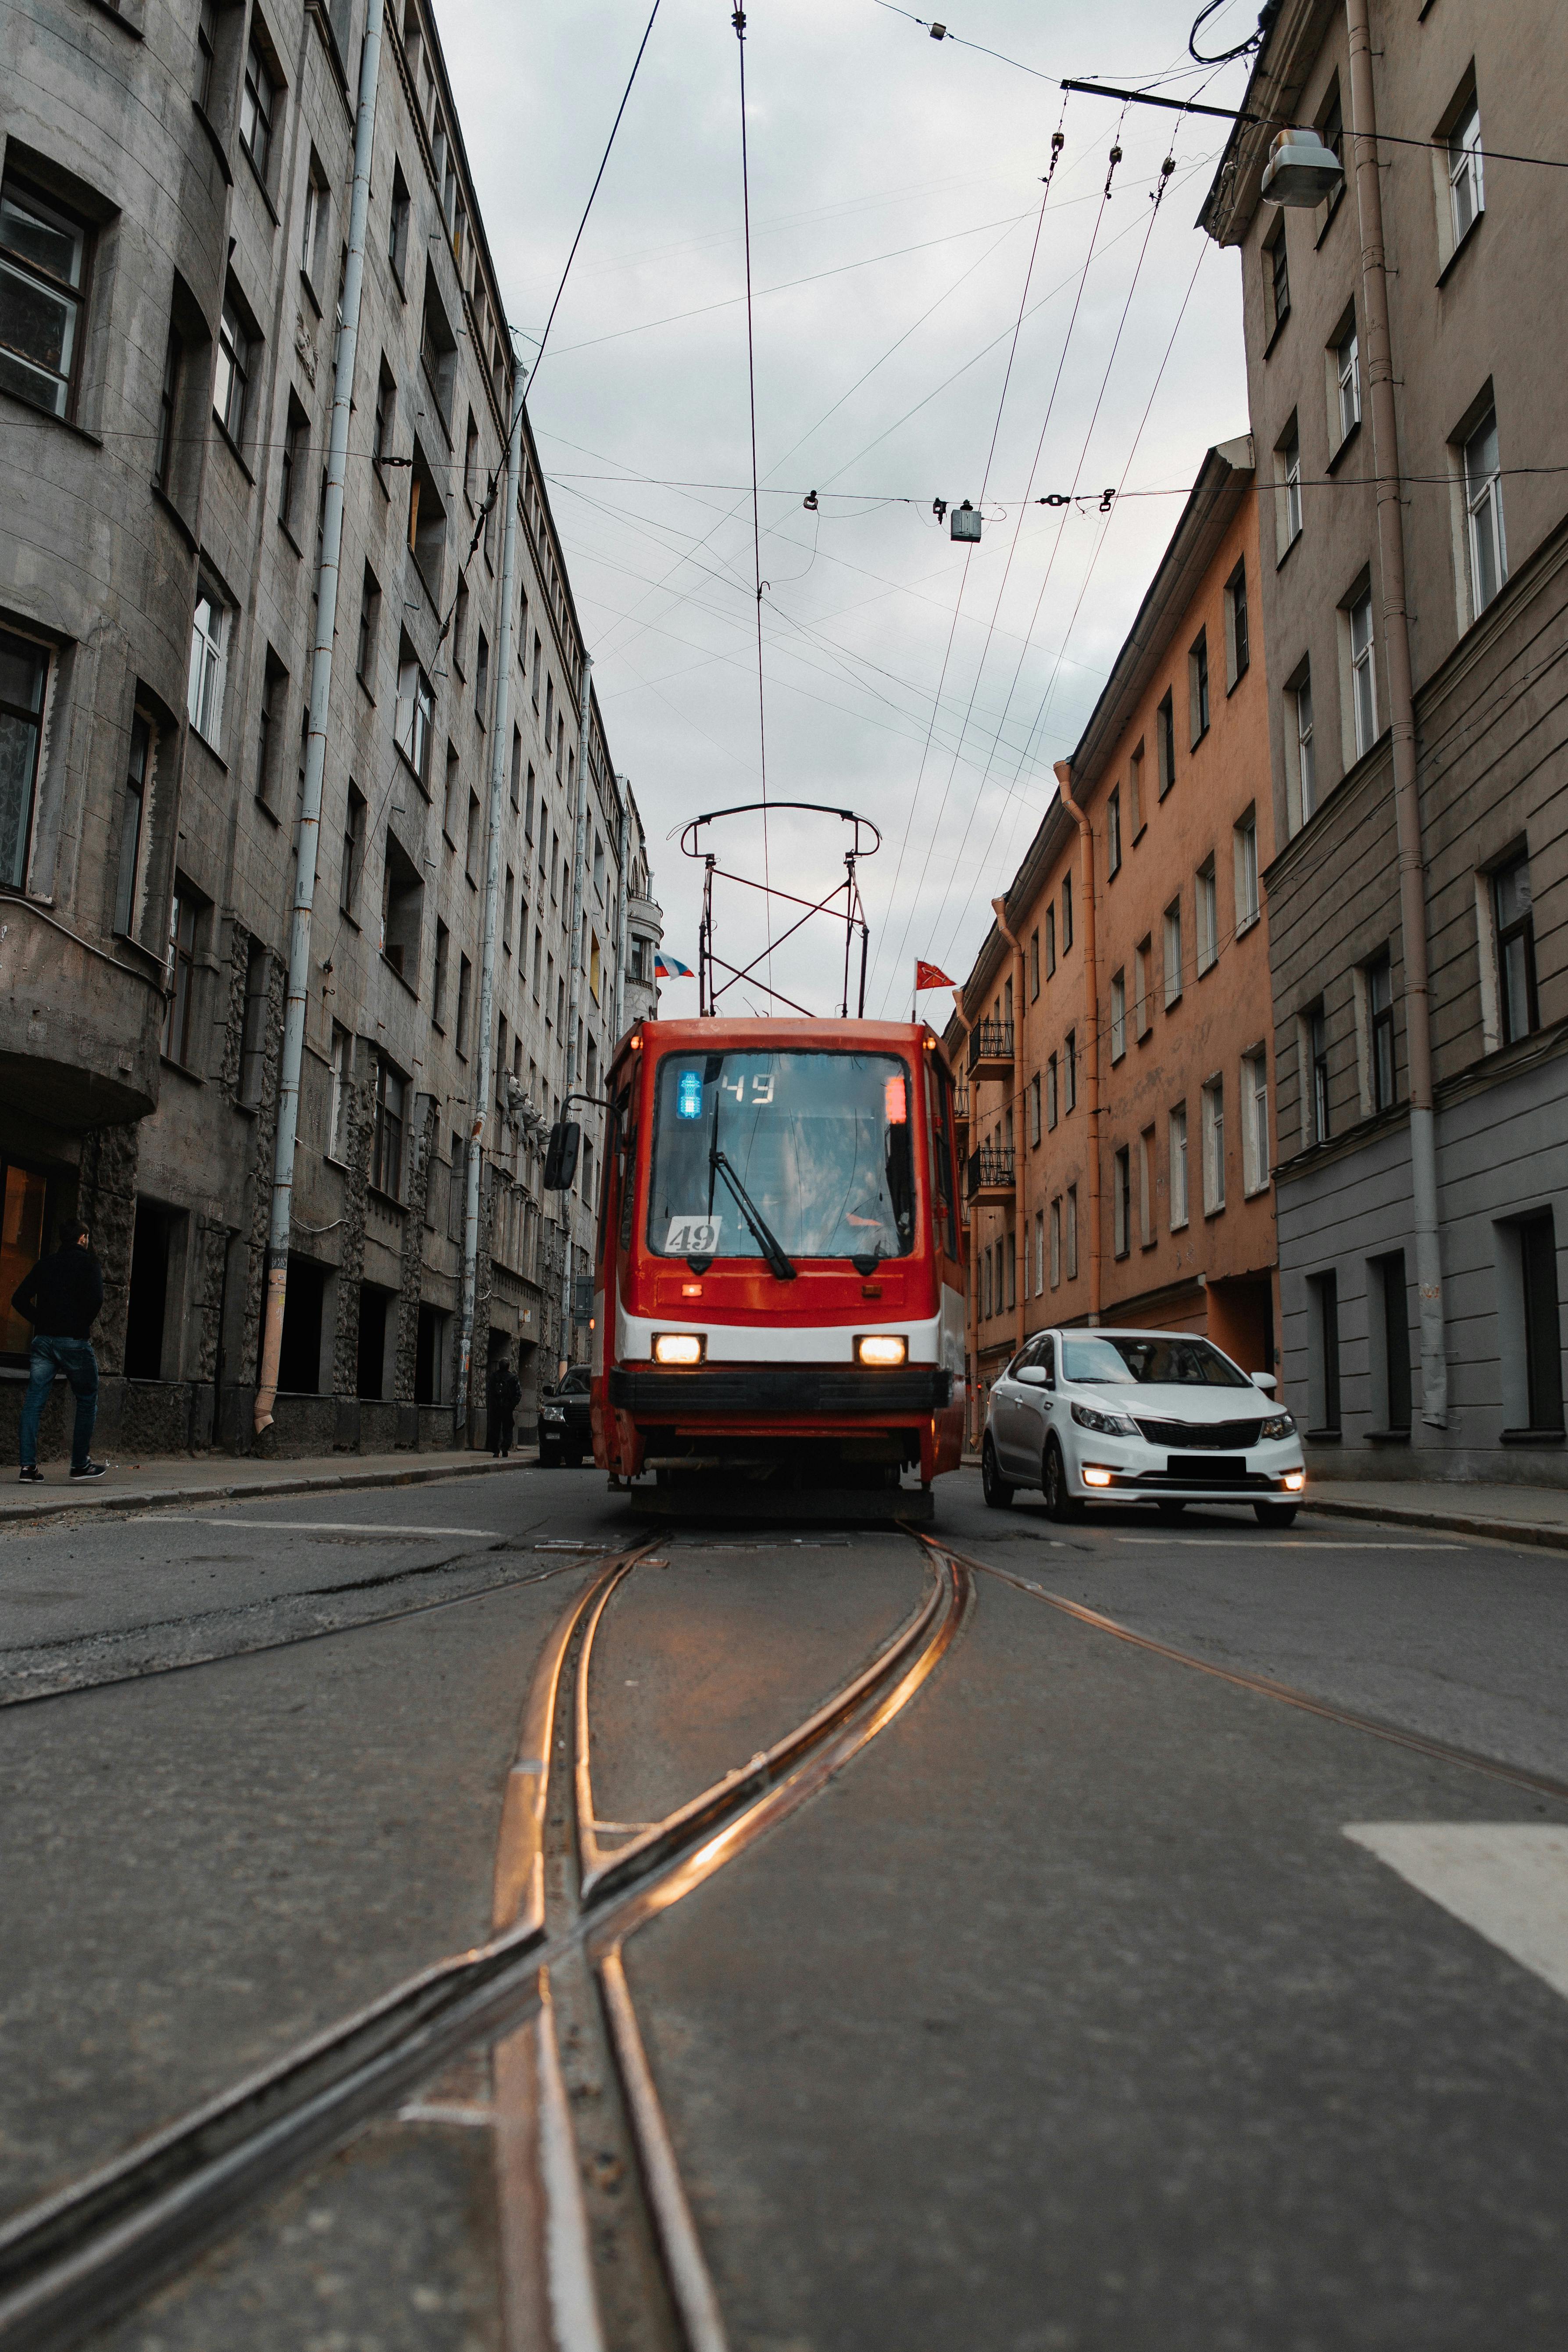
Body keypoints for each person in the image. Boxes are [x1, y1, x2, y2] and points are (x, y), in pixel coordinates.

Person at [13, 1220, 107, 1483]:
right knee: (87, 1399)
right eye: (86, 1237)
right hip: (74, 1342)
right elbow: (98, 1299)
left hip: (43, 1342)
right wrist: (79, 1325)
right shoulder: (89, 1264)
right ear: (82, 1238)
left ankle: (28, 1469)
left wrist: (41, 1321)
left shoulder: (45, 1264)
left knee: (34, 1403)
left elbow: (18, 1299)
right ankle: (79, 1465)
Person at [488, 1350, 522, 1459]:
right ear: (508, 1366)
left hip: (496, 1408)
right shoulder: (513, 1378)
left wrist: (493, 1404)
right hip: (507, 1409)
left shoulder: (494, 1377)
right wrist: (512, 1405)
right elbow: (518, 1394)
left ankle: (495, 1451)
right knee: (508, 1429)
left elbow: (489, 1392)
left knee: (495, 1429)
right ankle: (505, 1449)